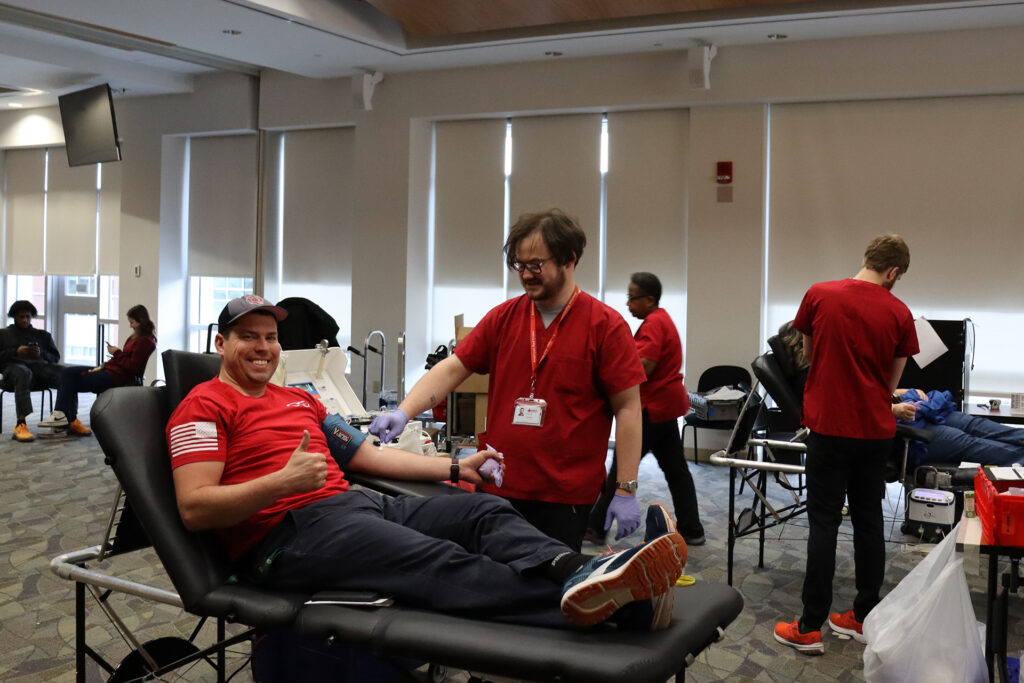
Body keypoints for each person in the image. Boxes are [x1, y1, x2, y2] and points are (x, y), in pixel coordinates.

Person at [167, 295, 687, 630]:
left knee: (481, 513)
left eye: (271, 337)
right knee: (438, 560)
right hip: (285, 537)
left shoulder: (301, 401)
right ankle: (619, 608)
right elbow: (195, 508)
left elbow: (368, 455)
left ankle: (586, 571)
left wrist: (458, 469)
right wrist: (281, 483)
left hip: (354, 506)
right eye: (247, 337)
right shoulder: (203, 406)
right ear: (220, 343)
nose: (263, 348)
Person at [369, 209, 648, 551]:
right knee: (495, 577)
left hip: (563, 494)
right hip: (499, 481)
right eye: (520, 265)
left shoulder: (605, 326)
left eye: (536, 265)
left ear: (569, 259)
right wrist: (404, 412)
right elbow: (453, 368)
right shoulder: (505, 318)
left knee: (546, 587)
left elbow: (629, 409)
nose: (527, 275)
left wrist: (626, 487)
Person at [774, 235, 919, 655]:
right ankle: (862, 617)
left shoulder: (819, 295)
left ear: (867, 259)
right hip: (874, 433)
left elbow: (811, 356)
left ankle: (809, 626)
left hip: (829, 429)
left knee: (823, 522)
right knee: (869, 520)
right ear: (893, 272)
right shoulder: (899, 312)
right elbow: (889, 385)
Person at [586, 273, 706, 546]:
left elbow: (645, 365)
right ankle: (693, 529)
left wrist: (610, 378)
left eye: (632, 298)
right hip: (664, 410)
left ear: (649, 300)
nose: (628, 304)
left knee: (620, 470)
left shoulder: (654, 323)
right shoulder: (660, 320)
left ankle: (594, 527)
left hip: (651, 411)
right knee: (677, 472)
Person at [40, 304, 157, 436]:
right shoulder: (135, 337)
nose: (131, 326)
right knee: (68, 373)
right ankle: (65, 418)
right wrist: (113, 357)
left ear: (141, 321)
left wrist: (117, 353)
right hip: (111, 370)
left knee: (69, 379)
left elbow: (132, 367)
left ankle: (63, 417)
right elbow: (126, 360)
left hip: (116, 377)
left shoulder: (146, 342)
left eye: (132, 322)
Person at [893, 389, 1024, 466]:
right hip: (900, 432)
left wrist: (911, 391)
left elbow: (887, 391)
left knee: (974, 424)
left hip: (921, 411)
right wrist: (893, 409)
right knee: (967, 441)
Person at [0, 301, 62, 442]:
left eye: (27, 316)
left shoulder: (43, 336)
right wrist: (15, 351)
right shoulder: (3, 334)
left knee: (65, 373)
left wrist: (41, 354)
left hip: (40, 369)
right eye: (21, 317)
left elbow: (55, 358)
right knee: (23, 372)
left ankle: (68, 418)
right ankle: (20, 424)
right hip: (13, 370)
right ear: (14, 317)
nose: (24, 320)